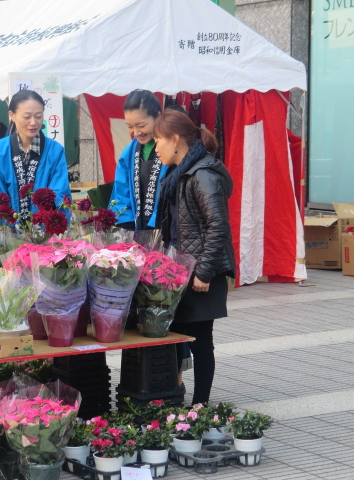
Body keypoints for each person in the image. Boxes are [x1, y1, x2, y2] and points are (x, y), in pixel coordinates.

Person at [153, 109, 236, 405]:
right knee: (174, 339)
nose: (156, 148)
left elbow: (219, 226)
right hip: (179, 273)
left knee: (201, 343)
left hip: (202, 274)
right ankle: (174, 398)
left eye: (158, 140)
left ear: (175, 139)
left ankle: (200, 407)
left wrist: (202, 272)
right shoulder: (179, 174)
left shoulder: (202, 174)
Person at [0, 90, 71, 226]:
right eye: (27, 117)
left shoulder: (55, 151)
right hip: (7, 234)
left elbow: (60, 192)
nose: (33, 122)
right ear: (12, 115)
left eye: (38, 116)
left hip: (45, 234)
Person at [109, 90, 169, 231]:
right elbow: (121, 195)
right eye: (130, 126)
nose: (136, 133)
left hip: (168, 231)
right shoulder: (128, 154)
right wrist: (127, 228)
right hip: (138, 232)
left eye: (141, 125)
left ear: (158, 117)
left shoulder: (171, 150)